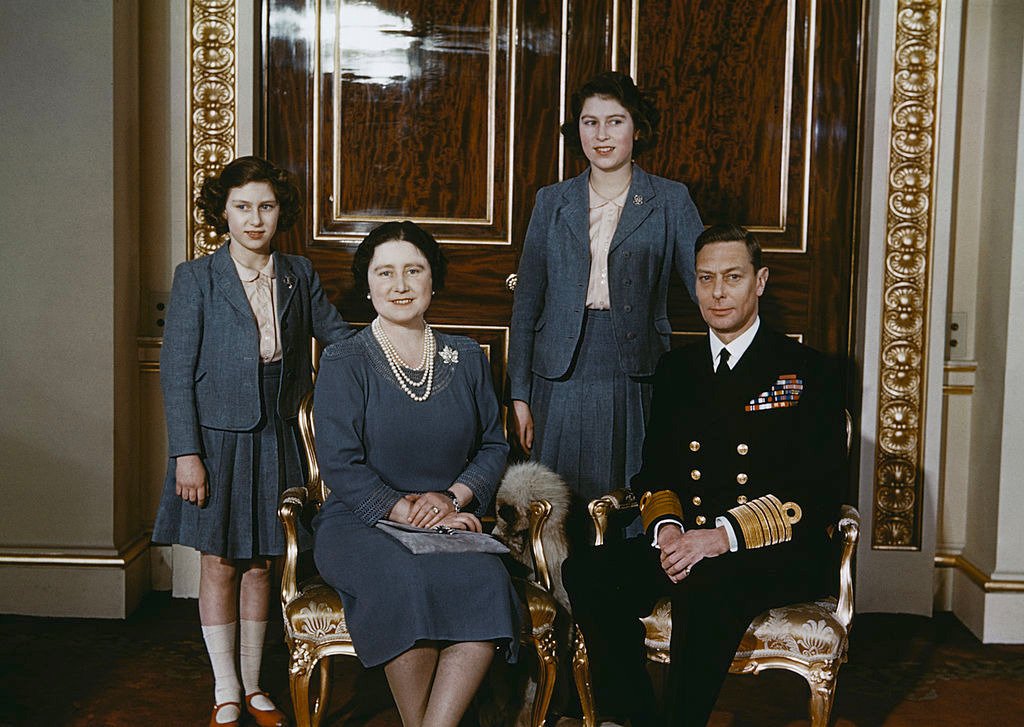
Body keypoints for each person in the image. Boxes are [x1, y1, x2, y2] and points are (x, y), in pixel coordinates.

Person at [562, 224, 848, 726]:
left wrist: (722, 536)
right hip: (688, 538)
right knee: (587, 570)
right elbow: (656, 469)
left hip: (776, 549)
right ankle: (633, 718)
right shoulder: (678, 369)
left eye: (733, 277)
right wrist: (669, 529)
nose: (718, 293)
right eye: (706, 279)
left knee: (708, 581)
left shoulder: (807, 371)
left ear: (760, 281)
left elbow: (819, 490)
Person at [152, 156, 351, 727]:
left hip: (278, 432)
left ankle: (255, 683)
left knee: (264, 560)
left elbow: (335, 339)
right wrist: (185, 453)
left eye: (266, 207)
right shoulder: (196, 277)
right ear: (224, 214)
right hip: (216, 439)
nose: (255, 219)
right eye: (243, 208)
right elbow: (175, 372)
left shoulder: (297, 273)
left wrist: (398, 336)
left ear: (279, 212)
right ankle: (225, 689)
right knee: (219, 561)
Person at [312, 221, 520, 727]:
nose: (400, 284)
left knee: (487, 579)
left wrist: (453, 499)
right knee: (405, 580)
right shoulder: (346, 359)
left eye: (413, 270)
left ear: (434, 281)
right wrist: (405, 510)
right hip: (360, 523)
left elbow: (494, 445)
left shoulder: (466, 356)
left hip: (445, 515)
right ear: (368, 284)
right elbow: (339, 462)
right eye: (385, 272)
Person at [508, 71, 703, 538]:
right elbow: (527, 300)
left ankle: (615, 604)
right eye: (589, 122)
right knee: (552, 513)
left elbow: (707, 285)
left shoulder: (670, 200)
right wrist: (518, 393)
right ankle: (556, 603)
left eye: (615, 121)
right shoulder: (551, 202)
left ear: (637, 130)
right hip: (557, 374)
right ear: (577, 131)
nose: (601, 135)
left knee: (629, 502)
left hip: (635, 371)